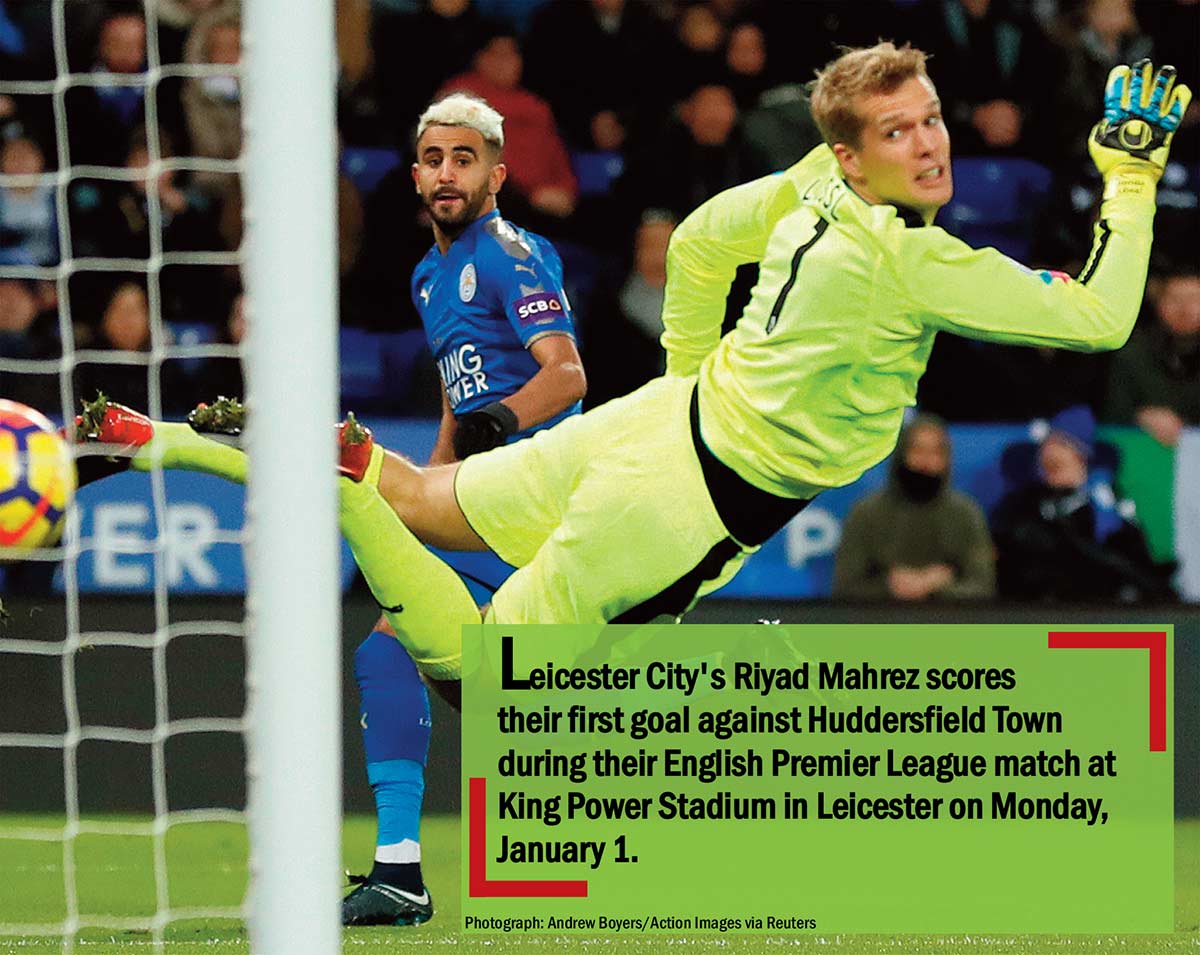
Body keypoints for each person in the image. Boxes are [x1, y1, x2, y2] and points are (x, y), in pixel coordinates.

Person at [76, 39, 1188, 829]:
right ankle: (348, 462)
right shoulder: (919, 259)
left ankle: (172, 440)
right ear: (854, 154)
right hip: (688, 500)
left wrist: (688, 372)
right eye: (898, 130)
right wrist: (1130, 180)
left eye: (931, 119)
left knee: (419, 499)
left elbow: (701, 239)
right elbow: (1097, 316)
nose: (930, 145)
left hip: (661, 419)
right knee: (487, 685)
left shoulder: (812, 186)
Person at [343, 91, 584, 927]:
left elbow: (566, 374)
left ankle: (410, 872)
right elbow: (457, 396)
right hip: (480, 491)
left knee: (413, 654)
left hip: (535, 490)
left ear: (497, 174)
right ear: (415, 175)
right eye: (435, 160)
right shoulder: (426, 274)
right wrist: (431, 490)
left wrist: (499, 423)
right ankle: (402, 873)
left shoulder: (512, 252)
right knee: (392, 655)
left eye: (465, 159)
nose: (448, 174)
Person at [990, 405, 1172, 602]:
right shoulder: (1023, 502)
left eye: (1062, 444)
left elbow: (1133, 559)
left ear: (1081, 456)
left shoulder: (1108, 502)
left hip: (1103, 610)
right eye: (1047, 444)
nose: (1049, 452)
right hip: (1040, 608)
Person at [833, 414, 995, 602]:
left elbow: (983, 586)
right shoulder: (866, 513)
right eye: (918, 450)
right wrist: (890, 585)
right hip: (879, 624)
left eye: (936, 452)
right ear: (901, 454)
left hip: (949, 624)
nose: (926, 462)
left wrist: (938, 585)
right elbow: (844, 588)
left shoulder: (965, 513)